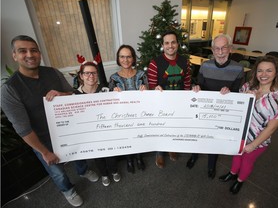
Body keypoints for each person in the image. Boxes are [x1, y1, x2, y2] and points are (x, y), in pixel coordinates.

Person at [1, 35, 99, 207]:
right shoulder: (9, 90)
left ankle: (83, 171)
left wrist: (63, 95)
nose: (30, 55)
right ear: (14, 55)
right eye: (23, 51)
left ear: (39, 53)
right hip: (41, 140)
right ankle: (68, 190)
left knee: (79, 157)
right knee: (57, 172)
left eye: (34, 50)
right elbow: (23, 129)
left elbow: (74, 95)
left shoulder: (52, 72)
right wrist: (44, 152)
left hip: (68, 131)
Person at [219, 55, 278, 194]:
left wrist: (253, 144)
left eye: (269, 71)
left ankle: (240, 181)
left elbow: (272, 127)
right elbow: (235, 107)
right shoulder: (247, 87)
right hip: (240, 135)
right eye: (260, 70)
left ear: (276, 73)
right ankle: (232, 173)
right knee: (236, 156)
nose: (263, 75)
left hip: (258, 141)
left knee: (247, 162)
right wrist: (231, 94)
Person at [186, 34, 244, 179]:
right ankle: (194, 155)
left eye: (224, 48)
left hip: (223, 112)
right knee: (198, 135)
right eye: (216, 48)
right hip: (204, 109)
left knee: (215, 139)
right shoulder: (205, 65)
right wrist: (196, 87)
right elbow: (200, 84)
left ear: (230, 49)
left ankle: (211, 165)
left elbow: (239, 94)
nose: (220, 52)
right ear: (212, 50)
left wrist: (231, 93)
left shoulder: (238, 69)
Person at [74, 54, 121, 186]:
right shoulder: (75, 95)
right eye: (87, 73)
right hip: (90, 135)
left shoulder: (106, 90)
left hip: (106, 132)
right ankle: (104, 174)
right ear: (81, 76)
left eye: (94, 73)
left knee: (111, 155)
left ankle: (114, 171)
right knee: (98, 157)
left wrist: (118, 95)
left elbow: (115, 109)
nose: (91, 76)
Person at [147, 31, 191, 169]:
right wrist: (155, 89)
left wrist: (186, 103)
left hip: (179, 103)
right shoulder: (155, 63)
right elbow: (152, 85)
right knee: (161, 128)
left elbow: (187, 83)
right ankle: (159, 152)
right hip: (161, 104)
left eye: (173, 42)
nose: (170, 46)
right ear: (163, 45)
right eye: (167, 43)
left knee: (175, 126)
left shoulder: (185, 62)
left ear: (178, 44)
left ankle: (172, 146)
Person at [108, 44, 148, 174]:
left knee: (138, 137)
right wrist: (113, 93)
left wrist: (146, 91)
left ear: (133, 58)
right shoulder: (113, 78)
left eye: (129, 57)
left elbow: (150, 97)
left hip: (140, 114)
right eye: (122, 57)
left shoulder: (142, 74)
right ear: (118, 59)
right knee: (127, 138)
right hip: (122, 116)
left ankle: (139, 157)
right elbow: (109, 102)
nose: (125, 60)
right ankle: (129, 159)